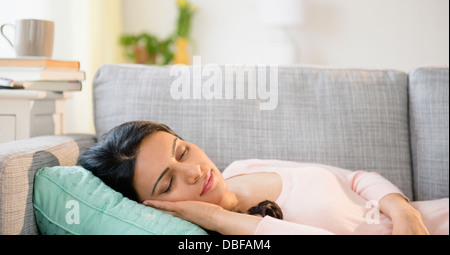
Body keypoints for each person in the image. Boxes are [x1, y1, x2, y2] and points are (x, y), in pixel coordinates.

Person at [78, 121, 449, 235]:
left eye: (182, 151)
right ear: (155, 207)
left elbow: (355, 178)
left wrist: (404, 213)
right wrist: (221, 218)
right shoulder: (230, 237)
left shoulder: (244, 167)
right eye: (167, 183)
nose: (194, 171)